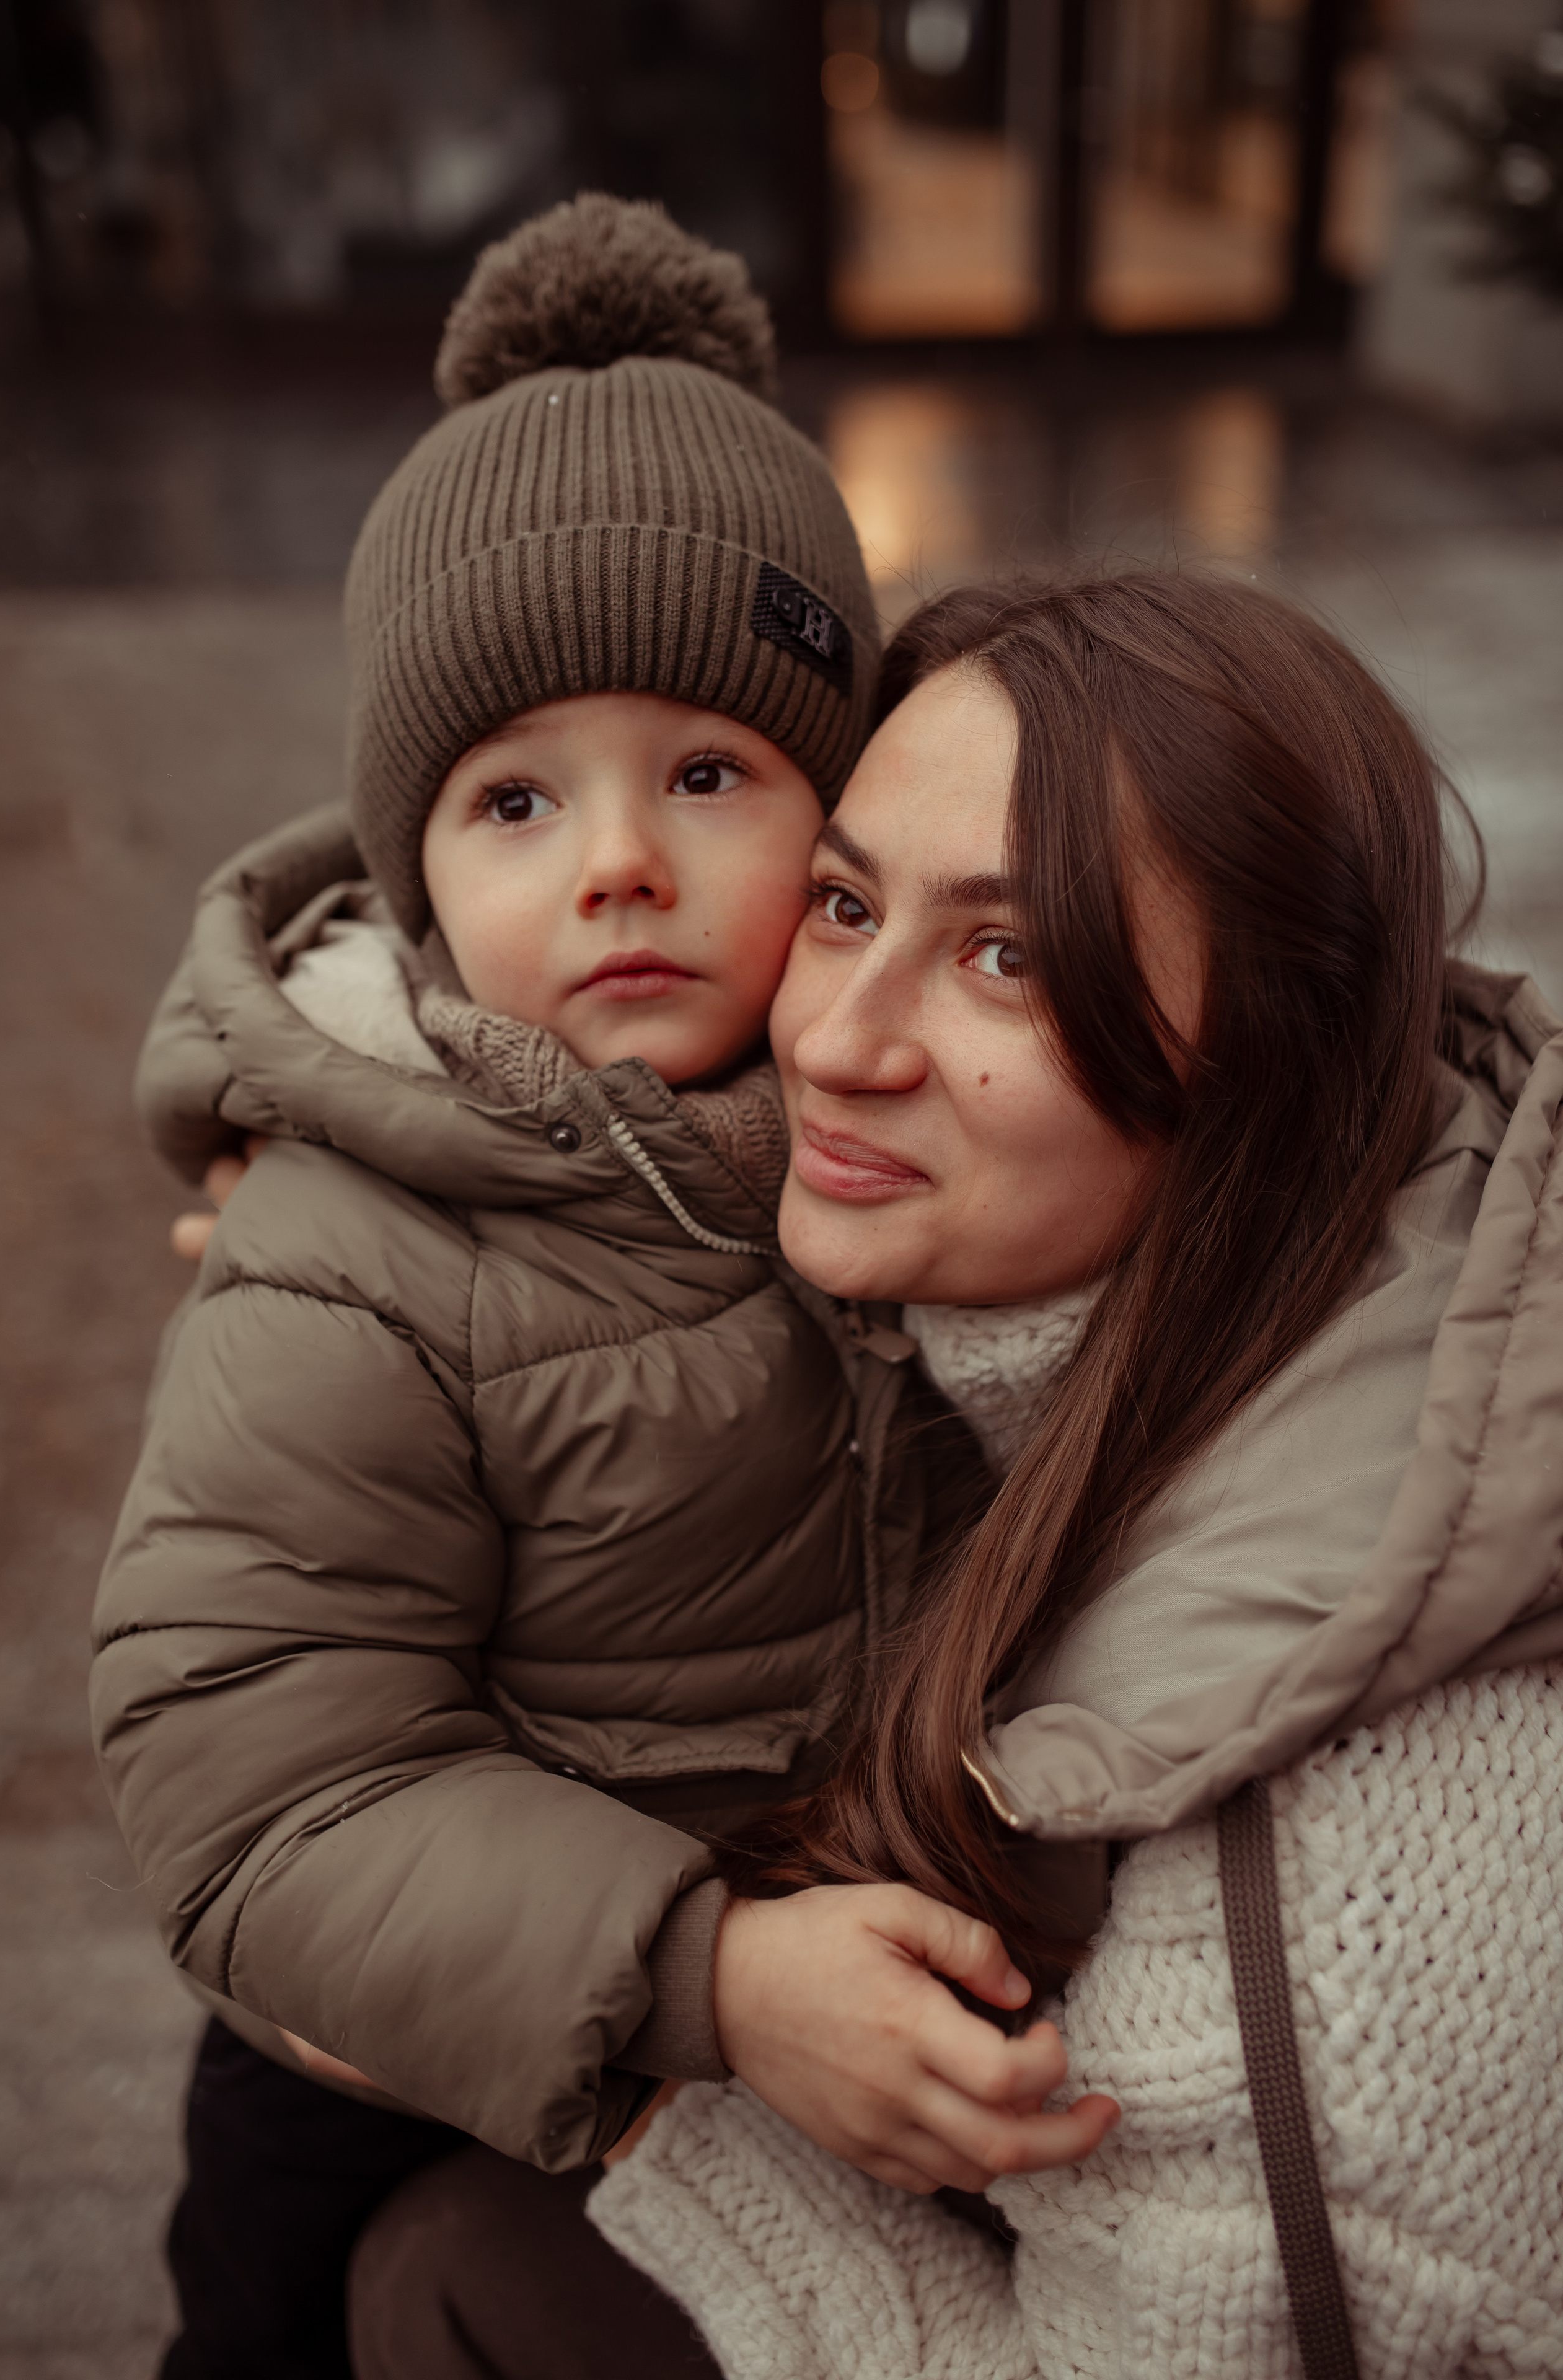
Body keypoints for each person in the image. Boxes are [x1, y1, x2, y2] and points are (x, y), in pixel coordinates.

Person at [91, 203, 1111, 2380]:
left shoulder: (898, 1123)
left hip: (818, 2030)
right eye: (516, 796)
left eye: (713, 773)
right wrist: (713, 1975)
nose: (620, 858)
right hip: (395, 2047)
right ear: (418, 880)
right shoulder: (352, 1252)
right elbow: (260, 1785)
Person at [568, 575, 1563, 2378]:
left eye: (1005, 959)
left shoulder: (1301, 1949)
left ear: (1261, 1066)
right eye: (846, 904)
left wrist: (639, 2095)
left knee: (447, 2262)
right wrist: (351, 1197)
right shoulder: (1199, 1252)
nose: (832, 1044)